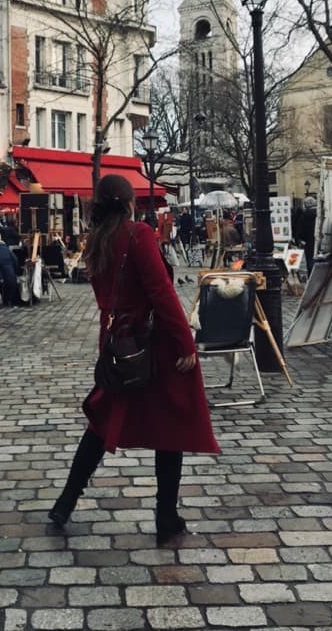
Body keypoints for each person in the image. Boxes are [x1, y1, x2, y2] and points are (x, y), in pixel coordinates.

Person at [48, 175, 219, 546]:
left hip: (117, 345)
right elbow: (161, 292)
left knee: (100, 424)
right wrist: (185, 342)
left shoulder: (97, 242)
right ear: (128, 203)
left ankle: (65, 502)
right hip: (152, 342)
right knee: (170, 426)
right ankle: (166, 515)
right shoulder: (138, 234)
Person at [297, 196, 317, 273]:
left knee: (310, 261)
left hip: (309, 243)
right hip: (319, 241)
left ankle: (311, 277)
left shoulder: (304, 216)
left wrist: (301, 240)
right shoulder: (320, 214)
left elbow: (301, 232)